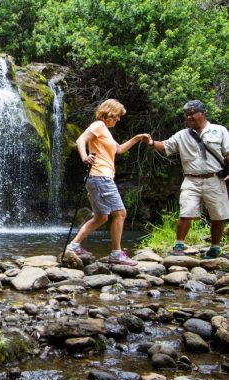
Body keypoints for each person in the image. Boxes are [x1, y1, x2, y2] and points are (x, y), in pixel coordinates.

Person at [141, 99, 229, 258]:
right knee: (186, 211)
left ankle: (214, 248)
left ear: (202, 113)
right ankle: (179, 245)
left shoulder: (219, 130)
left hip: (215, 179)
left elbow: (228, 153)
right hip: (191, 180)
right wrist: (152, 142)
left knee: (219, 214)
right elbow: (166, 145)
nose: (188, 117)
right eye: (186, 115)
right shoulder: (182, 135)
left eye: (191, 114)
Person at [66, 99, 150, 265]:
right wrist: (84, 157)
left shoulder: (105, 130)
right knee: (120, 213)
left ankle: (74, 246)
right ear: (110, 113)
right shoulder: (98, 125)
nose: (118, 119)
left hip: (97, 178)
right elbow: (80, 140)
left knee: (101, 217)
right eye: (117, 116)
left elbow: (119, 149)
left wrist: (138, 138)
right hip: (100, 177)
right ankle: (116, 254)